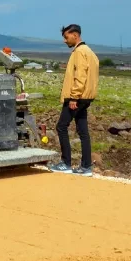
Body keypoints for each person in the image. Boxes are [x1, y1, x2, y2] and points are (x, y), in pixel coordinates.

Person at [49, 24, 100, 176]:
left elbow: (81, 76)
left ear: (75, 35)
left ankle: (66, 163)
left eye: (66, 37)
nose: (65, 41)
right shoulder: (90, 52)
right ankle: (86, 167)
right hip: (87, 97)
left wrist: (74, 97)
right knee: (83, 131)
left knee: (61, 127)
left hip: (77, 97)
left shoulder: (79, 52)